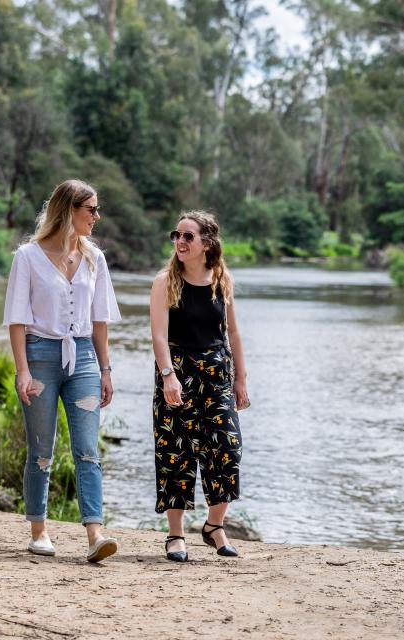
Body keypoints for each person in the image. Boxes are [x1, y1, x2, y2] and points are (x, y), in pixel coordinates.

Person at [3, 179, 122, 563]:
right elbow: (17, 320)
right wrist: (22, 370)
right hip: (39, 357)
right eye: (91, 209)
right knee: (41, 450)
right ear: (69, 210)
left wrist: (106, 369)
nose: (97, 217)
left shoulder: (94, 258)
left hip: (84, 357)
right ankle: (39, 530)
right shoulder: (27, 256)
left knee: (88, 450)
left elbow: (99, 320)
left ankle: (94, 534)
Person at [149, 211, 249, 562]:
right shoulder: (165, 281)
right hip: (178, 373)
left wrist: (241, 378)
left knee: (228, 447)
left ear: (207, 243)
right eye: (177, 234)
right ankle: (175, 535)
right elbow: (159, 335)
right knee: (176, 454)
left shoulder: (222, 279)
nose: (180, 241)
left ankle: (213, 526)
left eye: (188, 236)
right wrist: (167, 376)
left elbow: (233, 332)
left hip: (217, 375)